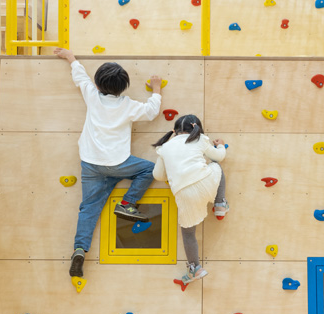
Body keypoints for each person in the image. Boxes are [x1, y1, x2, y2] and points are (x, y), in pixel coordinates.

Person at [54, 48, 163, 278]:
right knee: (149, 170)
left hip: (91, 164)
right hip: (118, 163)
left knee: (89, 208)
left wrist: (70, 57)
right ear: (123, 87)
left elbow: (80, 77)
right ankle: (128, 203)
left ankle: (80, 249)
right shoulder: (128, 105)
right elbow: (152, 111)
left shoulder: (92, 96)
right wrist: (156, 89)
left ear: (99, 83)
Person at [152, 114, 228, 284]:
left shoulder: (165, 147)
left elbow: (157, 175)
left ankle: (195, 268)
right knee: (216, 167)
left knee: (188, 233)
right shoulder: (200, 139)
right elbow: (218, 156)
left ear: (175, 131)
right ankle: (220, 204)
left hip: (184, 193)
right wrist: (221, 145)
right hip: (205, 183)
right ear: (196, 128)